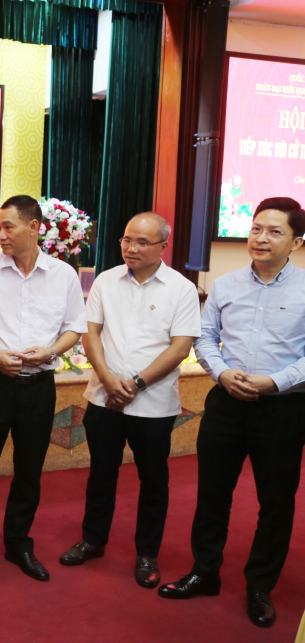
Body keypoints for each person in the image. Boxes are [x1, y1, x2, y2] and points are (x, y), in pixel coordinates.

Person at [159, 197, 305, 629]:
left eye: (274, 231)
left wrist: (274, 381)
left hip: (283, 409)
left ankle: (259, 586)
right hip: (225, 405)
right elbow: (205, 338)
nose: (260, 238)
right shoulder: (225, 284)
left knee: (276, 503)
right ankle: (205, 572)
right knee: (212, 496)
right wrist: (221, 374)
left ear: (296, 242)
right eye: (256, 228)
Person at [59, 213, 201, 588]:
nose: (131, 248)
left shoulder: (181, 289)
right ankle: (93, 540)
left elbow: (181, 346)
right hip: (103, 398)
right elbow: (91, 334)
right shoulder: (106, 281)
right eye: (126, 240)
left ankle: (146, 553)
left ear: (162, 247)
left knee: (153, 480)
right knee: (100, 475)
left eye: (141, 242)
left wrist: (135, 384)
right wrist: (107, 379)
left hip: (153, 405)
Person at [0, 194, 86, 582]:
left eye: (8, 226)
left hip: (38, 386)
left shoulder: (63, 274)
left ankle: (18, 543)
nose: (0, 234)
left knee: (29, 470)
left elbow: (74, 328)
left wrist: (50, 350)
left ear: (34, 228)